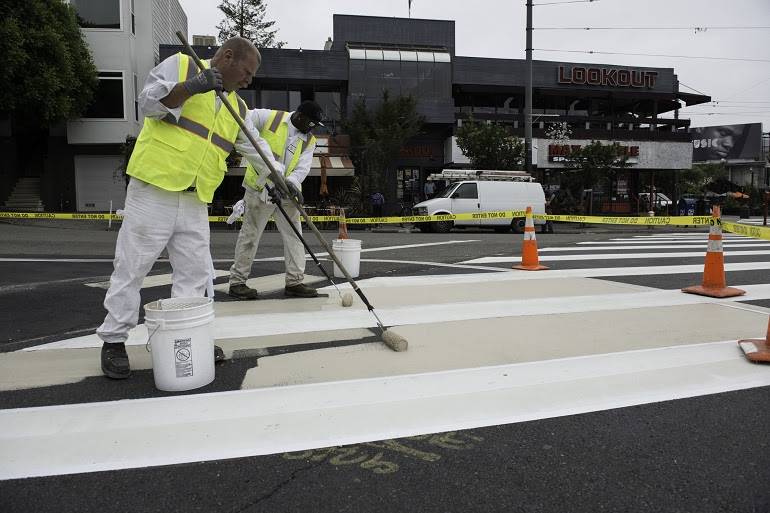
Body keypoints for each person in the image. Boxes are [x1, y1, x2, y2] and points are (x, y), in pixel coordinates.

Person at [97, 37, 281, 380]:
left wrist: (282, 181)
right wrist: (192, 86)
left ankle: (188, 333)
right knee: (132, 266)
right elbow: (148, 103)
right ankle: (113, 340)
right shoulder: (183, 66)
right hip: (154, 189)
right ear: (227, 57)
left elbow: (258, 149)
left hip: (195, 199)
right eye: (246, 71)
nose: (248, 80)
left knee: (195, 274)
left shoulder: (236, 108)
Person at [228, 101, 325, 301]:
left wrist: (291, 184)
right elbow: (243, 120)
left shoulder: (309, 141)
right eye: (311, 123)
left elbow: (302, 168)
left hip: (287, 193)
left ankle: (295, 282)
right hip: (259, 189)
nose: (311, 129)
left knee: (295, 236)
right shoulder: (269, 118)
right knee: (250, 235)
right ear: (300, 116)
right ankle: (237, 282)